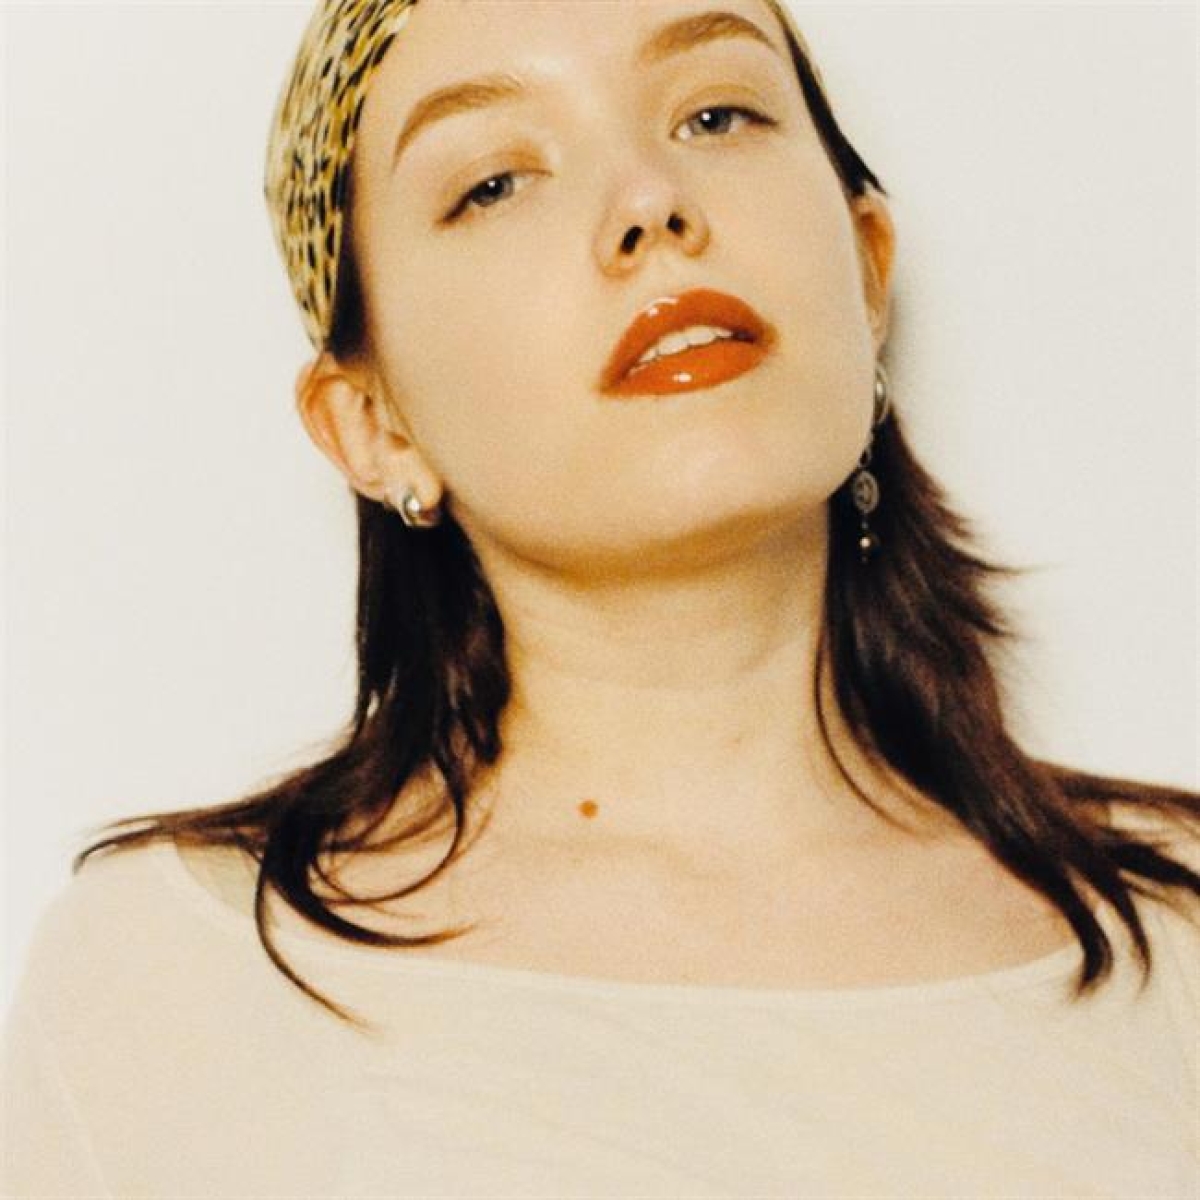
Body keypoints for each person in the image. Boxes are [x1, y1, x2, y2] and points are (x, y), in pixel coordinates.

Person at [3, 1, 1198, 1196]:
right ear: (372, 425)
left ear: (867, 266)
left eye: (716, 114)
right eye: (494, 182)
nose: (650, 202)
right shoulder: (175, 979)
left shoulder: (1178, 929)